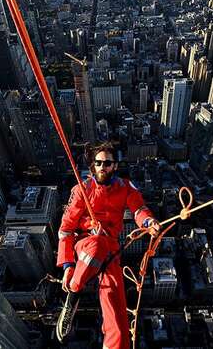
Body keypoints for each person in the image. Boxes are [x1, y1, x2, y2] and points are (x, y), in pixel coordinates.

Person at [55, 142, 160, 349]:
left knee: (119, 324)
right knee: (97, 245)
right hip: (86, 243)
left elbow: (138, 208)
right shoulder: (81, 190)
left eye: (107, 163)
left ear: (115, 166)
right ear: (93, 166)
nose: (103, 166)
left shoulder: (125, 188)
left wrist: (148, 222)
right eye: (98, 163)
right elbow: (66, 229)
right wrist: (68, 267)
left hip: (111, 252)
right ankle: (73, 296)